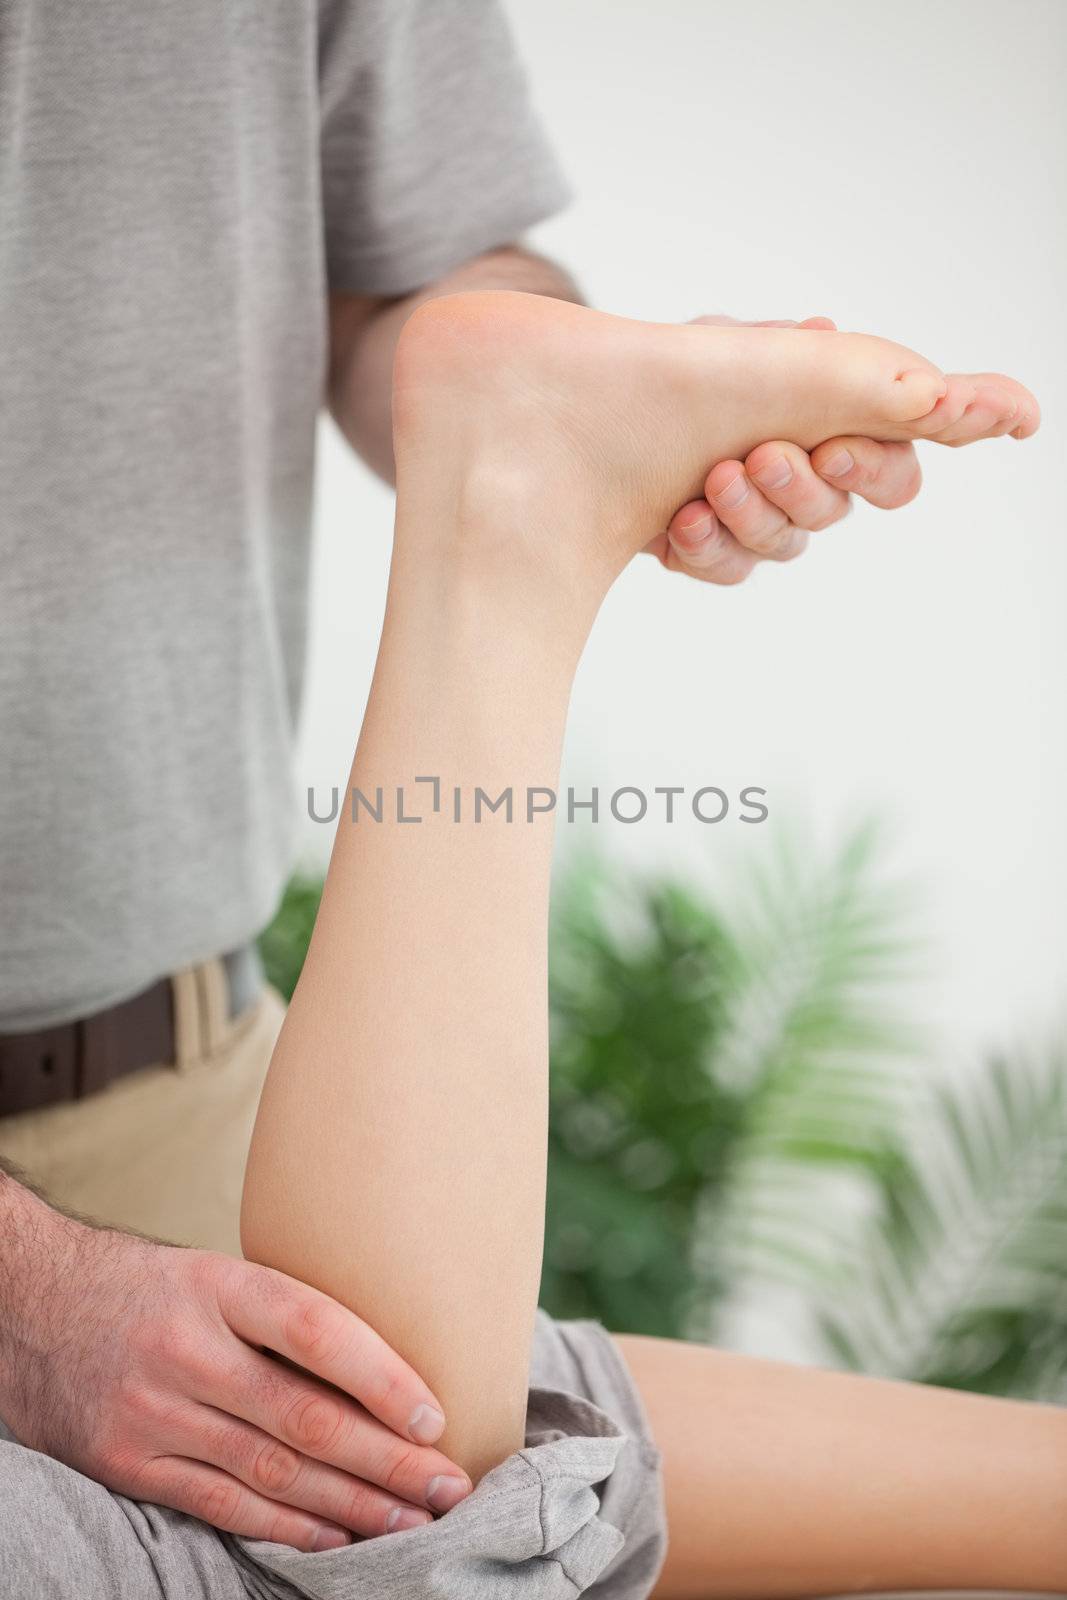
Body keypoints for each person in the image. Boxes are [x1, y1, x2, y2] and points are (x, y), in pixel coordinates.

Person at [0, 0, 1001, 1549]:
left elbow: (410, 271)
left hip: (185, 1073)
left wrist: (524, 367)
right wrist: (25, 1299)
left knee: (394, 1491)